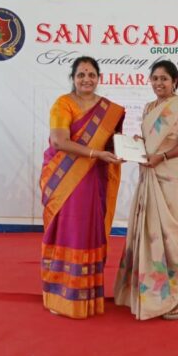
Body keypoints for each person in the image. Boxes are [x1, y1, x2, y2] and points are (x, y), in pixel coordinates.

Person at [114, 60, 178, 320]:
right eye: (155, 78)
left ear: (174, 82)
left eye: (164, 79)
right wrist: (137, 145)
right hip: (151, 173)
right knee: (149, 233)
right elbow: (151, 141)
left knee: (171, 233)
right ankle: (153, 295)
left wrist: (164, 156)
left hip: (173, 174)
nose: (159, 83)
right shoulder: (150, 107)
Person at [40, 56, 125, 319]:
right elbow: (59, 141)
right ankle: (61, 296)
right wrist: (95, 154)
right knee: (69, 230)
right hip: (65, 178)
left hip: (93, 178)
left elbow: (112, 144)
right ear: (73, 78)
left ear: (99, 78)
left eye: (91, 74)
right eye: (81, 75)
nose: (86, 79)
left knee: (89, 230)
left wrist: (127, 148)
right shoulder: (63, 103)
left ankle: (87, 295)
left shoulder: (108, 109)